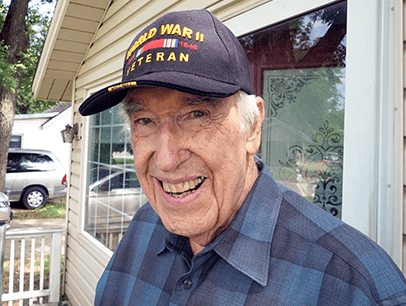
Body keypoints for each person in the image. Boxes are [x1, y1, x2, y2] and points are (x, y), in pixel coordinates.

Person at [79, 9, 406, 306]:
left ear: (252, 128)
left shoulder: (356, 285)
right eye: (144, 121)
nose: (165, 160)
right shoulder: (143, 227)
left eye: (196, 114)